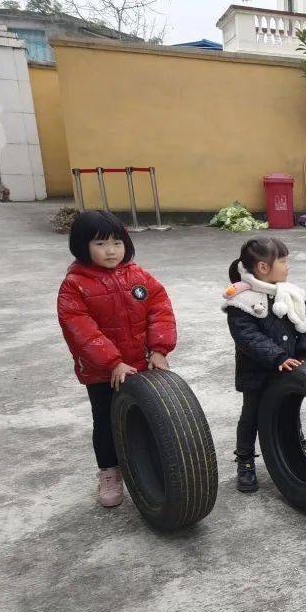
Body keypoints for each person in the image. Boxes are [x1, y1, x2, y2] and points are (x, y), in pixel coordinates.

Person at [57, 210, 177, 509]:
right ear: (82, 246)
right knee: (106, 421)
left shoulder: (139, 276)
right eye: (100, 244)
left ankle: (148, 465)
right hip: (102, 372)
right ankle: (109, 472)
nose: (110, 250)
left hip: (141, 365)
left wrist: (160, 348)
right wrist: (112, 362)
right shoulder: (75, 285)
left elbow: (160, 309)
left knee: (148, 417)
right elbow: (81, 330)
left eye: (116, 242)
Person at [223, 236, 306, 493]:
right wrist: (277, 357)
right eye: (283, 261)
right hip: (258, 373)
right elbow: (248, 337)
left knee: (290, 413)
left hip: (291, 370)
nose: (288, 266)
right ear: (263, 267)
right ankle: (245, 462)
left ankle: (299, 451)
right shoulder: (242, 300)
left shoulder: (291, 294)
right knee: (251, 416)